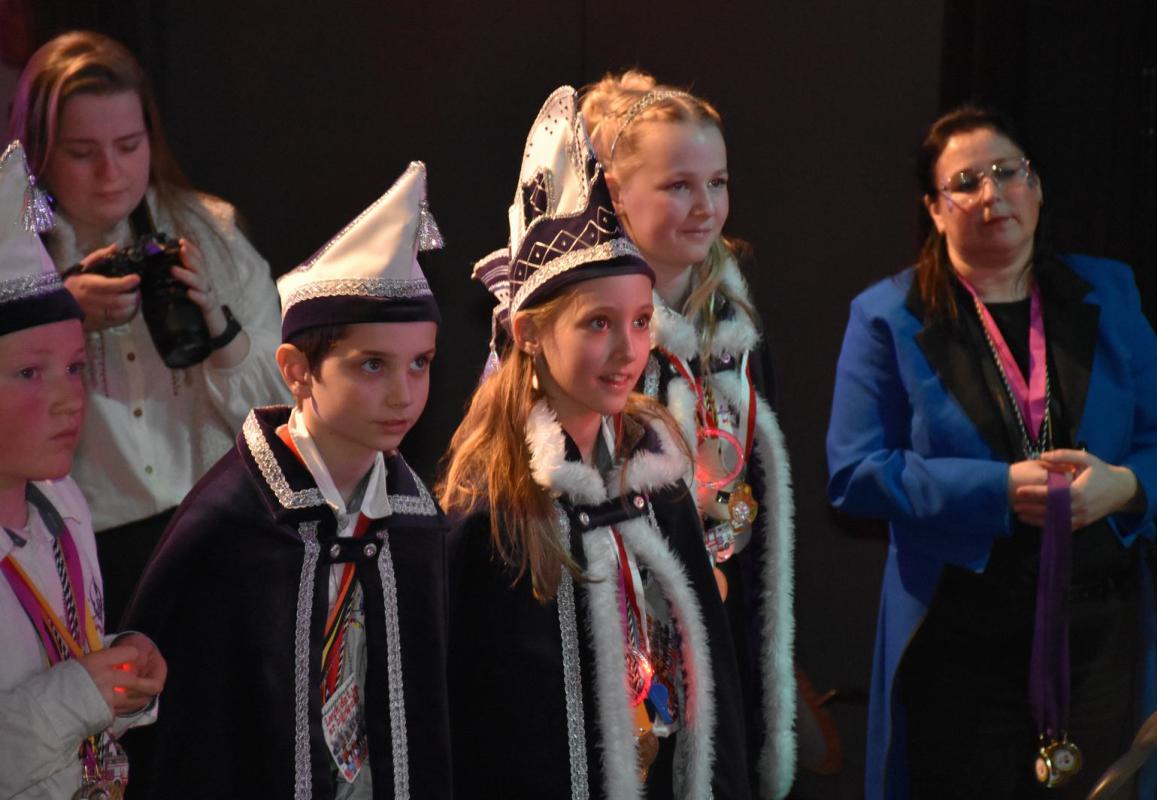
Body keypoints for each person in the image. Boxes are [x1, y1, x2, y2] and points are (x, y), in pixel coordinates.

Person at [826, 106, 1157, 800]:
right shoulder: (887, 315)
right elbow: (855, 474)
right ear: (935, 210)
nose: (992, 194)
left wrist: (1125, 486)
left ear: (1037, 187)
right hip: (961, 636)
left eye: (1008, 172)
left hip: (1096, 634)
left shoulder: (1110, 290)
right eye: (966, 182)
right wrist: (997, 489)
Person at [441, 86, 751, 799]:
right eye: (597, 324)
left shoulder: (659, 479)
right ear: (529, 332)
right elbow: (465, 722)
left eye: (640, 322)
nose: (627, 351)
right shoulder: (487, 511)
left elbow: (714, 689)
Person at [120, 162, 452, 798]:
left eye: (421, 364)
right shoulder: (229, 524)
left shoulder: (413, 520)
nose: (404, 394)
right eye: (373, 366)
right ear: (297, 371)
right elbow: (187, 736)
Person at [580, 71, 837, 799]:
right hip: (630, 638)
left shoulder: (734, 323)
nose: (706, 207)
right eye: (678, 186)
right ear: (616, 194)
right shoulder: (587, 331)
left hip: (724, 624)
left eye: (717, 183)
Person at [7, 30, 289, 625]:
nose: (110, 172)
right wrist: (55, 315)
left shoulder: (209, 232)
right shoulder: (13, 256)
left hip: (210, 527)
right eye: (82, 152)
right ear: (38, 153)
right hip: (74, 546)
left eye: (129, 145)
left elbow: (286, 408)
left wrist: (219, 330)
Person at [0, 140, 165, 799]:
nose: (70, 398)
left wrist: (119, 670)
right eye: (29, 373)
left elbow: (59, 648)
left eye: (74, 367)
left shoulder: (62, 503)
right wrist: (79, 694)